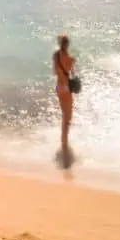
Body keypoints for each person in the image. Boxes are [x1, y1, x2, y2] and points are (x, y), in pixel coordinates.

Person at [53, 34, 76, 167]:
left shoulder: (56, 56)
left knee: (64, 115)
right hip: (66, 88)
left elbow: (55, 72)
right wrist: (72, 62)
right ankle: (64, 143)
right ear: (67, 44)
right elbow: (72, 73)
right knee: (68, 117)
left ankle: (64, 142)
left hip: (59, 87)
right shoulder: (69, 58)